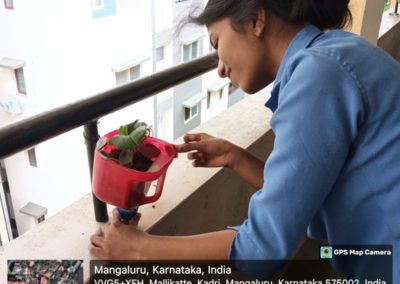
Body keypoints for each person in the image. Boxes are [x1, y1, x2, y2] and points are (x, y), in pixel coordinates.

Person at [89, 0, 400, 281]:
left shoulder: (317, 76)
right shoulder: (339, 50)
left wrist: (139, 249)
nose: (221, 69)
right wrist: (233, 157)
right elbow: (304, 196)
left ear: (255, 20)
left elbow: (263, 250)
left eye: (217, 42)